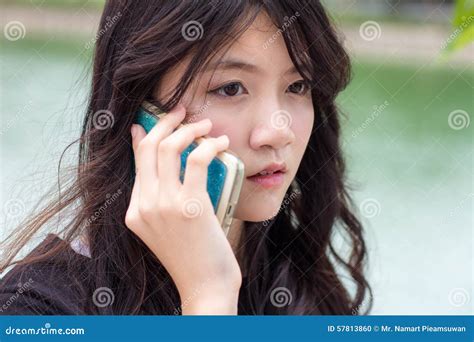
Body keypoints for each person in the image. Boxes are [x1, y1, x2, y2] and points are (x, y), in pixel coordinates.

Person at [0, 0, 372, 315]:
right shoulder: (37, 308)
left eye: (297, 85)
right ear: (142, 109)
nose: (279, 131)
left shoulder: (295, 278)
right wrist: (209, 295)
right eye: (230, 88)